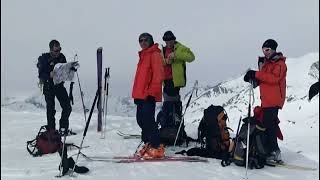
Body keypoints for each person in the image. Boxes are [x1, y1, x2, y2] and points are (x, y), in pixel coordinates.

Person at [244, 39, 287, 163]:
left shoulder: (280, 64)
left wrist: (256, 74)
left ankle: (275, 152)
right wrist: (251, 78)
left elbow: (274, 79)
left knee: (270, 125)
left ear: (273, 49)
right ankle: (269, 150)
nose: (265, 52)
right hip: (267, 100)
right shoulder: (266, 64)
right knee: (267, 125)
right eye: (263, 50)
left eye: (267, 49)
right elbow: (262, 80)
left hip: (274, 100)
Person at [132, 33, 165, 159]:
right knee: (141, 120)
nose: (143, 42)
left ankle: (157, 147)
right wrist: (137, 94)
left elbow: (159, 75)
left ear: (151, 41)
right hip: (140, 95)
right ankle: (148, 143)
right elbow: (141, 78)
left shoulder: (154, 54)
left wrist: (151, 93)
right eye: (141, 40)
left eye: (146, 40)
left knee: (149, 121)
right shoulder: (143, 55)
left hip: (148, 95)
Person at [37, 40, 73, 135]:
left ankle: (63, 129)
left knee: (67, 107)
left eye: (59, 50)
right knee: (50, 110)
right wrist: (49, 74)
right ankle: (51, 131)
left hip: (59, 85)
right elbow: (41, 74)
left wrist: (71, 70)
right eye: (56, 51)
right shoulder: (44, 59)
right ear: (51, 50)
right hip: (48, 86)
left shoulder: (62, 57)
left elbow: (65, 70)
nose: (58, 52)